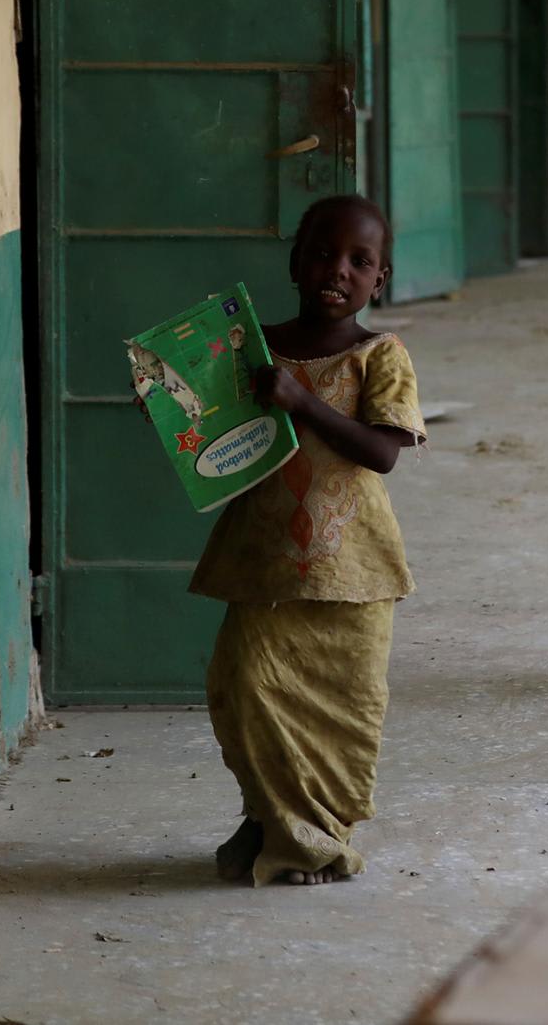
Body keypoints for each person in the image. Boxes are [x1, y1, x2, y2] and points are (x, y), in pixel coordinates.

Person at [189, 194, 427, 886]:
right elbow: (204, 431)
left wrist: (303, 401)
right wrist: (168, 397)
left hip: (353, 567)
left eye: (360, 261)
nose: (338, 270)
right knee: (246, 686)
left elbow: (382, 453)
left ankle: (312, 836)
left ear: (378, 280)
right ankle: (271, 814)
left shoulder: (380, 355)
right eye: (323, 252)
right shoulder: (256, 349)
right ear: (295, 262)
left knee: (340, 705)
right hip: (265, 562)